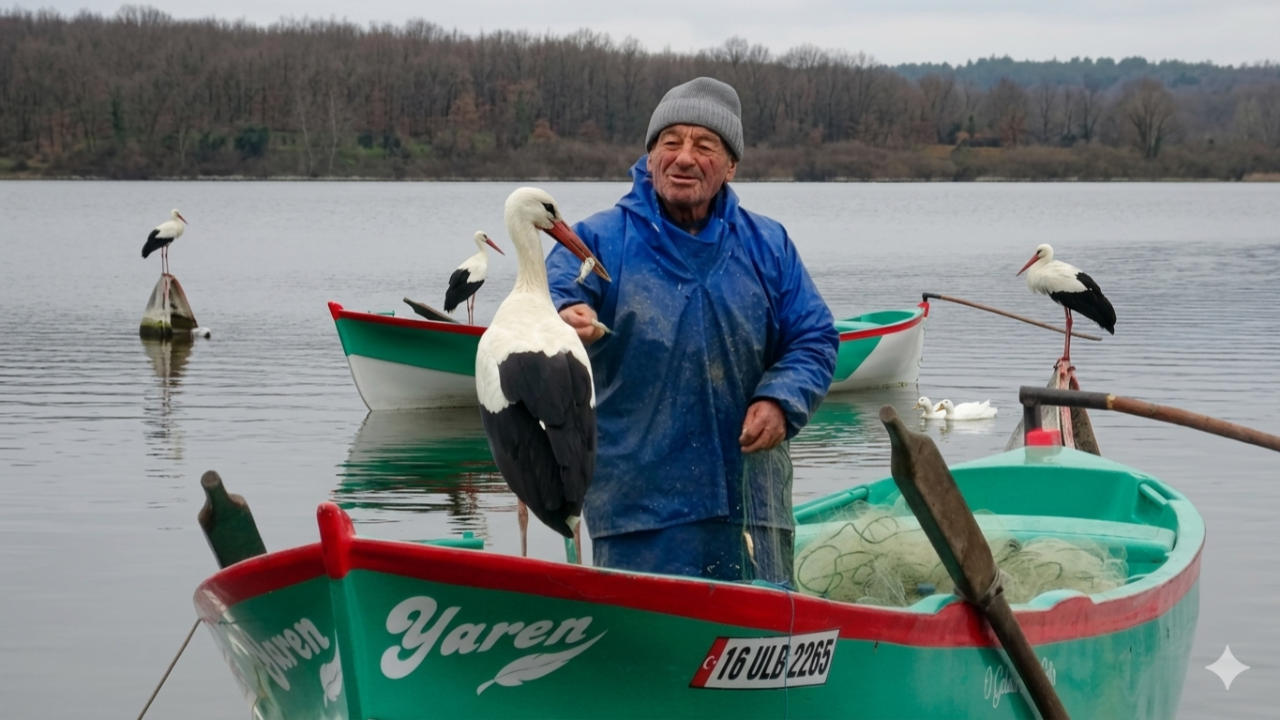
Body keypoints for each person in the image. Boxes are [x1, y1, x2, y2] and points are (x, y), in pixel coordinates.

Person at [545, 77, 838, 585]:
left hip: (755, 507)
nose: (683, 157)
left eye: (704, 146)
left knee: (760, 642)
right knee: (649, 647)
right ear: (651, 153)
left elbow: (813, 339)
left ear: (731, 165)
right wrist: (564, 318)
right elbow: (546, 303)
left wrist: (780, 400)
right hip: (640, 514)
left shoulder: (768, 245)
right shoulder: (596, 242)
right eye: (670, 142)